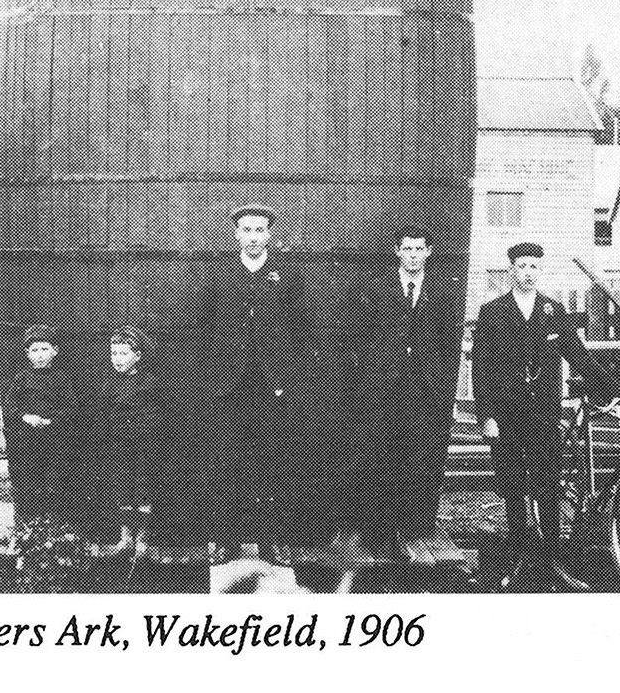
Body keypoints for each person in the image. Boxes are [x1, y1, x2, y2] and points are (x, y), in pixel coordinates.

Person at [471, 242, 620, 589]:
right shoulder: (492, 312)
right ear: (511, 269)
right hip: (506, 413)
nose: (528, 273)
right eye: (522, 266)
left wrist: (616, 390)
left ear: (541, 271)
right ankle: (518, 554)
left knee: (547, 483)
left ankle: (552, 557)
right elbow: (480, 368)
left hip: (543, 414)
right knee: (512, 484)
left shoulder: (553, 311)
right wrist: (487, 416)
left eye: (534, 267)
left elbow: (579, 356)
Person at [331, 226, 461, 558]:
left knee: (415, 457)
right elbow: (353, 337)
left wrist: (440, 386)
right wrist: (366, 376)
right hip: (381, 389)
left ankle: (411, 530)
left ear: (429, 252)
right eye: (408, 249)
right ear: (397, 251)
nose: (414, 255)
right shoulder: (375, 289)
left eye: (420, 249)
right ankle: (376, 530)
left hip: (421, 389)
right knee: (378, 455)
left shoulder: (443, 293)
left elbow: (449, 346)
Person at [198, 204, 307, 562]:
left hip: (271, 384)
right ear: (236, 234)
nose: (253, 237)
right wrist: (211, 377)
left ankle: (270, 539)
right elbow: (205, 331)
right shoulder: (219, 275)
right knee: (225, 459)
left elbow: (299, 330)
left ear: (269, 234)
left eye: (260, 230)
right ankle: (225, 539)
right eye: (247, 230)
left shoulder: (287, 276)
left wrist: (288, 378)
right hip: (228, 385)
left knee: (271, 460)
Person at [89, 326, 163, 556]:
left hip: (143, 446)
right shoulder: (109, 385)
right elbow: (103, 416)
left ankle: (142, 537)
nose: (117, 359)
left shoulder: (149, 383)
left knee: (143, 488)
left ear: (137, 356)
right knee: (122, 487)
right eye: (113, 354)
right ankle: (125, 536)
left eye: (123, 354)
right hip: (119, 445)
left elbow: (157, 415)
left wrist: (143, 431)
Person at [2, 324, 78, 534]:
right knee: (30, 483)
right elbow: (9, 408)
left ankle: (53, 531)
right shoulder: (22, 378)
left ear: (55, 350)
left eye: (44, 349)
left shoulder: (61, 379)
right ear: (27, 353)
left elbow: (71, 408)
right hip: (27, 442)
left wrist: (51, 421)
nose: (40, 355)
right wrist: (25, 417)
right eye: (34, 350)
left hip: (55, 441)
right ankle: (29, 532)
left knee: (54, 484)